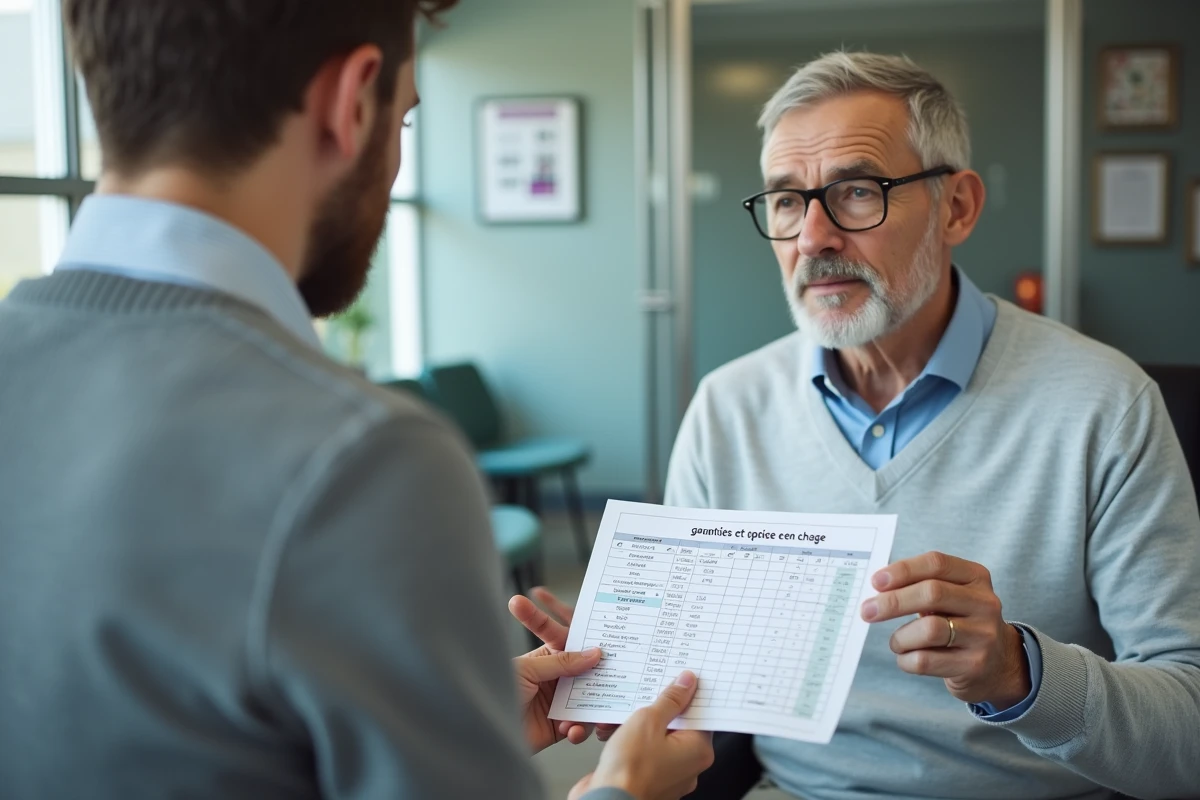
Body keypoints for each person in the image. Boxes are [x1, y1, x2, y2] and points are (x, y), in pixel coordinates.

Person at [0, 2, 714, 799]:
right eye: (404, 122)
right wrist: (623, 792)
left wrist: (441, 725)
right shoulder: (361, 456)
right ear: (353, 100)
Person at [515, 52, 1200, 800]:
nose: (813, 237)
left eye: (856, 192)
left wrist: (1019, 672)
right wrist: (625, 678)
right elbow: (699, 692)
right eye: (785, 201)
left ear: (958, 208)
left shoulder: (1104, 403)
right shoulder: (728, 409)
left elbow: (1187, 735)